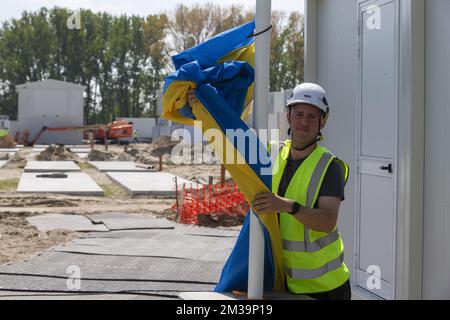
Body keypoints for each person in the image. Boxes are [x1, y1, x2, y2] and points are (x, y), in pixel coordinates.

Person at [252, 83, 351, 300]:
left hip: (325, 287)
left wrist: (288, 206)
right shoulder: (272, 152)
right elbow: (233, 141)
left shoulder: (329, 166)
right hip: (283, 280)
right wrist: (202, 104)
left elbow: (327, 222)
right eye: (298, 114)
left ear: (322, 121)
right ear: (288, 116)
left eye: (311, 116)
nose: (304, 122)